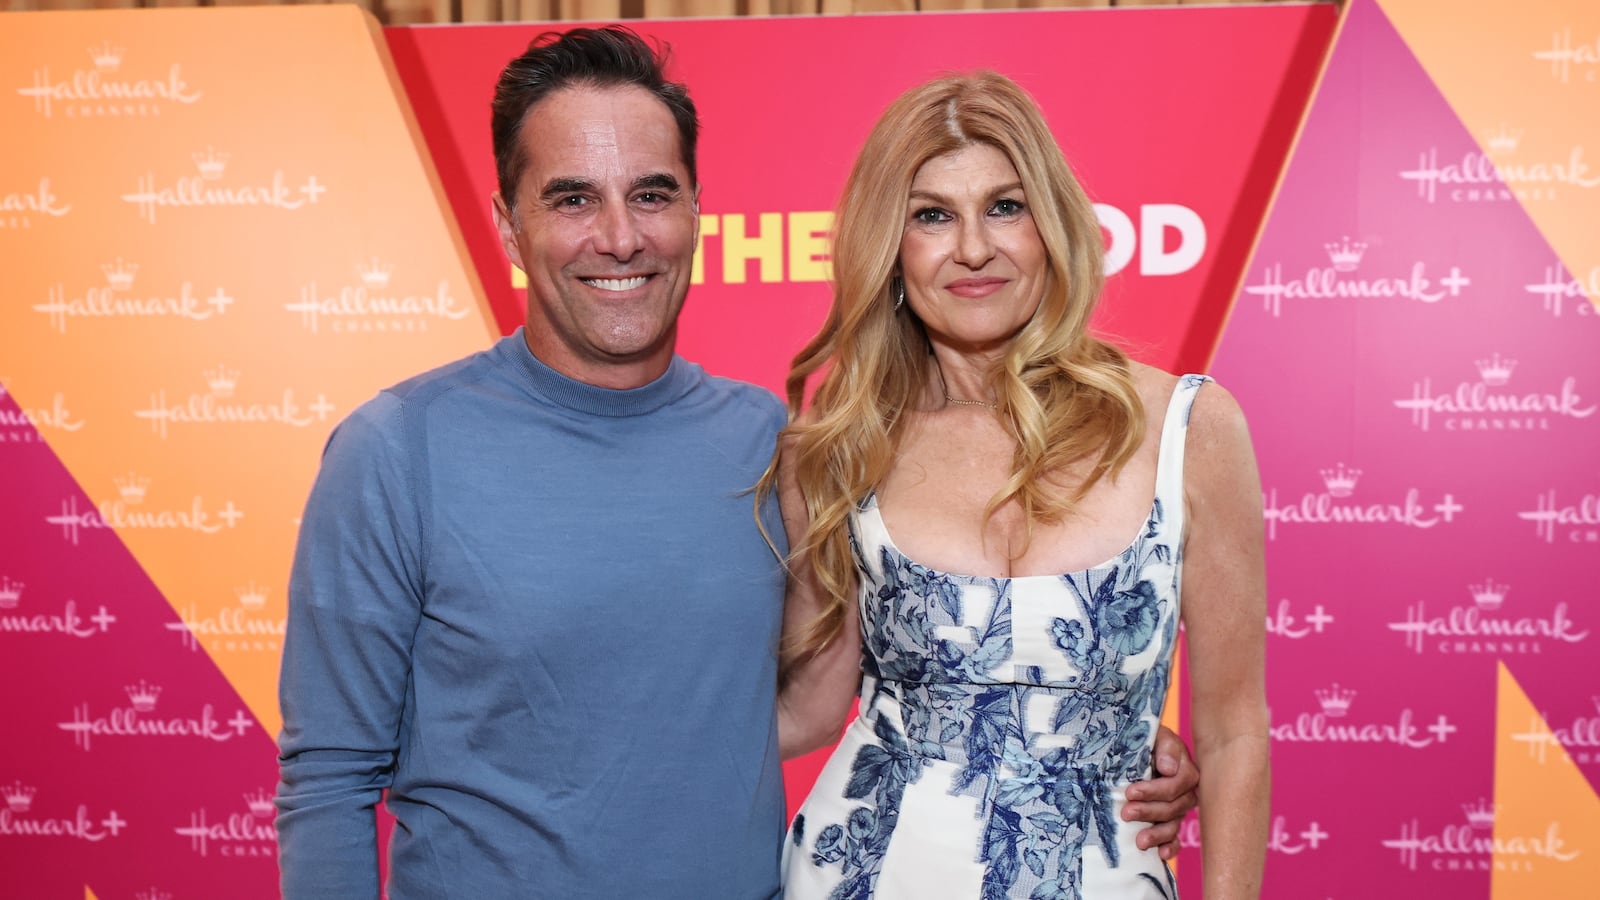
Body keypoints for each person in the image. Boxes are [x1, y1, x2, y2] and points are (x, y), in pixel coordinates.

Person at [275, 28, 1200, 900]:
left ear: (696, 214)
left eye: (650, 193)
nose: (620, 236)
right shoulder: (396, 450)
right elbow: (327, 782)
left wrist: (1098, 730)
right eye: (570, 198)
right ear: (510, 227)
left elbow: (842, 686)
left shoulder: (775, 444)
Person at [768, 71, 1269, 899]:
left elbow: (1235, 730)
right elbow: (809, 708)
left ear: (1055, 226)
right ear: (890, 248)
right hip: (864, 873)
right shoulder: (841, 451)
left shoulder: (1189, 430)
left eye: (1006, 206)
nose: (973, 248)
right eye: (932, 215)